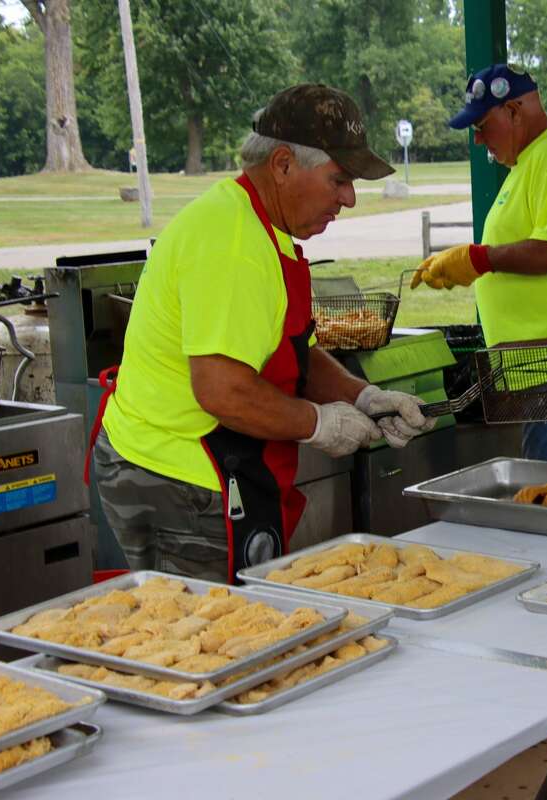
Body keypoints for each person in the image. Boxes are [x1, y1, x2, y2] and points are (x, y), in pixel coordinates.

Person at [90, 84, 435, 583]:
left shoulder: (265, 227)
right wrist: (320, 423)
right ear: (282, 164)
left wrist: (363, 397)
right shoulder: (234, 244)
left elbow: (296, 349)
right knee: (213, 641)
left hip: (213, 464)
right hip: (180, 476)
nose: (350, 199)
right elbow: (221, 391)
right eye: (339, 180)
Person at [410, 64, 547, 464]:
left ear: (513, 111)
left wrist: (478, 259)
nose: (478, 140)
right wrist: (464, 264)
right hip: (546, 367)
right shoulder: (527, 163)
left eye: (481, 126)